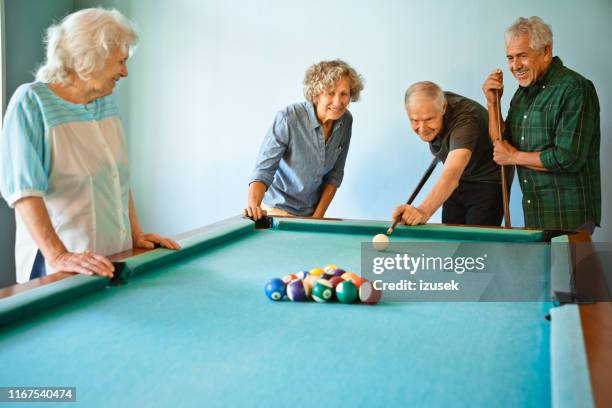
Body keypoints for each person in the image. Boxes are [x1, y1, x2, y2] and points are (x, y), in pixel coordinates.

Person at [0, 8, 179, 283]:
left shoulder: (104, 102)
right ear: (91, 56)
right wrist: (58, 255)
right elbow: (24, 193)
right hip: (62, 267)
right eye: (120, 61)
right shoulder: (31, 103)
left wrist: (136, 234)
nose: (125, 71)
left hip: (110, 260)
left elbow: (117, 178)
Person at [482, 16, 600, 233]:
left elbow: (568, 157)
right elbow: (502, 144)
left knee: (571, 269)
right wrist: (492, 103)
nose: (515, 66)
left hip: (569, 218)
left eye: (522, 56)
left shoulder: (575, 88)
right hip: (536, 215)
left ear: (546, 51)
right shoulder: (523, 93)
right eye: (510, 58)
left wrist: (514, 157)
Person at [244, 60, 364, 220]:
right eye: (330, 93)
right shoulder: (288, 118)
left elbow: (335, 175)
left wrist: (317, 218)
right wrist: (253, 207)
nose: (337, 102)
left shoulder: (345, 121)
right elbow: (264, 171)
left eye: (344, 94)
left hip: (310, 215)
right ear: (316, 94)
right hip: (275, 212)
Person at [392, 81, 505, 226]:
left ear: (443, 107)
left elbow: (451, 173)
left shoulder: (466, 119)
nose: (422, 128)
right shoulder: (431, 105)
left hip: (486, 181)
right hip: (457, 183)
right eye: (414, 120)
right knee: (451, 240)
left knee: (475, 246)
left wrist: (422, 211)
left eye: (429, 119)